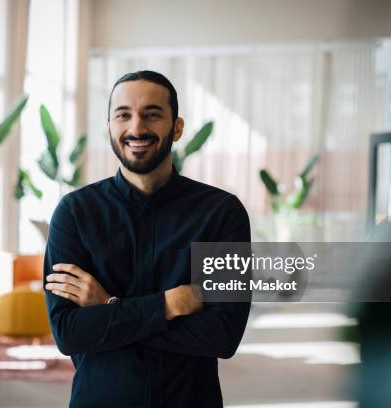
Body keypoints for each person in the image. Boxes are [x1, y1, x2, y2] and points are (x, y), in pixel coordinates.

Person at [43, 70, 251, 407]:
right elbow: (69, 332)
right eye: (123, 115)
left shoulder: (222, 213)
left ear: (177, 127)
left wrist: (109, 309)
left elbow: (222, 336)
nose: (136, 128)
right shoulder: (75, 213)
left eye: (152, 114)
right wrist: (167, 305)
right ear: (109, 126)